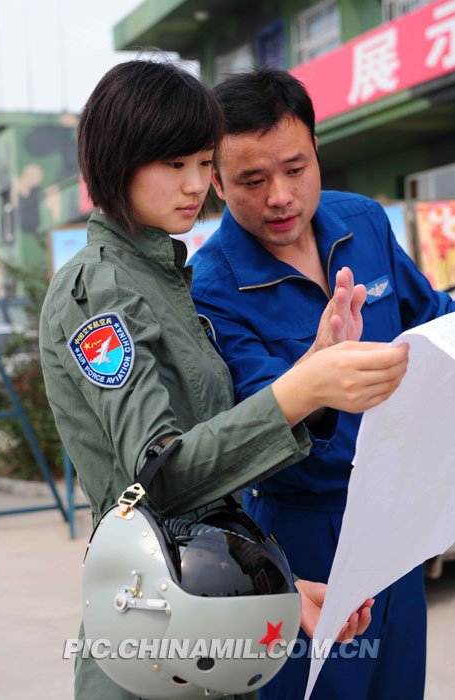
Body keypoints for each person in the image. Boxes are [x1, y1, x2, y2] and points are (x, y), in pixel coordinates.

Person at [39, 60, 409, 700]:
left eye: (203, 163)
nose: (195, 186)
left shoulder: (163, 278)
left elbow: (212, 487)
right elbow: (159, 475)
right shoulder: (98, 290)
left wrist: (279, 591)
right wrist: (304, 389)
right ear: (116, 161)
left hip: (209, 615)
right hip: (148, 641)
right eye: (173, 164)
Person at [190, 68, 455, 700]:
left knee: (399, 686)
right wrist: (315, 374)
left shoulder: (362, 222)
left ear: (316, 152)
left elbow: (431, 318)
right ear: (217, 183)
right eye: (252, 180)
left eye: (296, 168)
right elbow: (256, 416)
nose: (281, 195)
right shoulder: (211, 285)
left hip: (396, 517)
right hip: (302, 537)